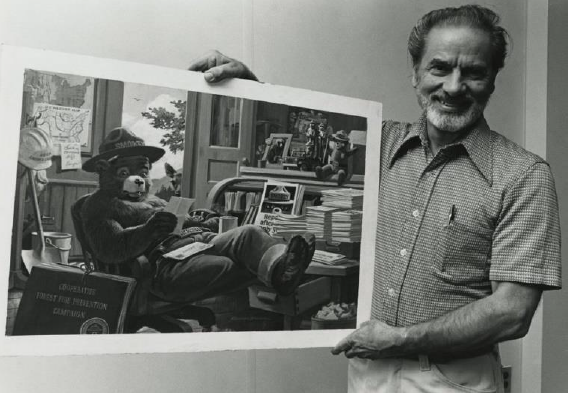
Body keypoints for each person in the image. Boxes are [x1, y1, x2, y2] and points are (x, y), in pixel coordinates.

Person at [188, 5, 561, 392]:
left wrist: (400, 340)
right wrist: (248, 87)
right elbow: (312, 135)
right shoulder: (380, 143)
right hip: (369, 375)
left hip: (456, 382)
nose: (453, 86)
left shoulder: (523, 176)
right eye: (439, 68)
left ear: (493, 81)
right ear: (415, 73)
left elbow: (511, 313)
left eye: (474, 72)